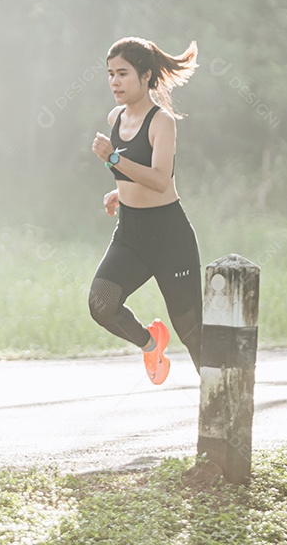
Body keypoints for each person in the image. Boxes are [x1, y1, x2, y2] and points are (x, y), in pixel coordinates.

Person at [89, 36, 203, 385]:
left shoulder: (162, 122)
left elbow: (159, 179)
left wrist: (112, 158)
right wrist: (120, 193)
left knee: (192, 331)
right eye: (110, 74)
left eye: (122, 74)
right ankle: (151, 344)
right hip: (131, 234)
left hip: (169, 237)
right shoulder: (115, 118)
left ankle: (221, 400)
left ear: (146, 75)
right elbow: (134, 174)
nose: (115, 82)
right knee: (102, 303)